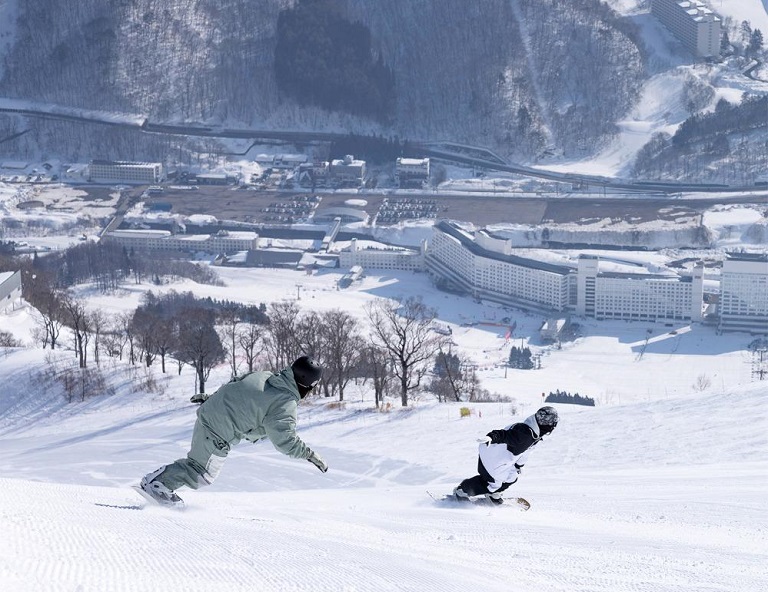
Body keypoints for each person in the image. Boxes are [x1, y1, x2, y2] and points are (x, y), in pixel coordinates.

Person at [138, 356, 328, 506]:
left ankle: (161, 484)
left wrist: (210, 398)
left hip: (209, 415)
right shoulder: (285, 403)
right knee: (202, 474)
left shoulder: (264, 375)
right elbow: (285, 440)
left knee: (196, 465)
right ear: (308, 385)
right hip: (218, 432)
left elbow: (234, 386)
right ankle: (158, 484)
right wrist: (309, 455)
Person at [453, 406, 558, 505]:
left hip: (499, 455)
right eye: (553, 422)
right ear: (547, 423)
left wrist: (518, 466)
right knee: (493, 483)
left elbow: (525, 451)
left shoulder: (534, 434)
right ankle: (462, 491)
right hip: (491, 454)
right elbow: (504, 435)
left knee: (512, 477)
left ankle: (493, 495)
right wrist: (491, 437)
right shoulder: (525, 433)